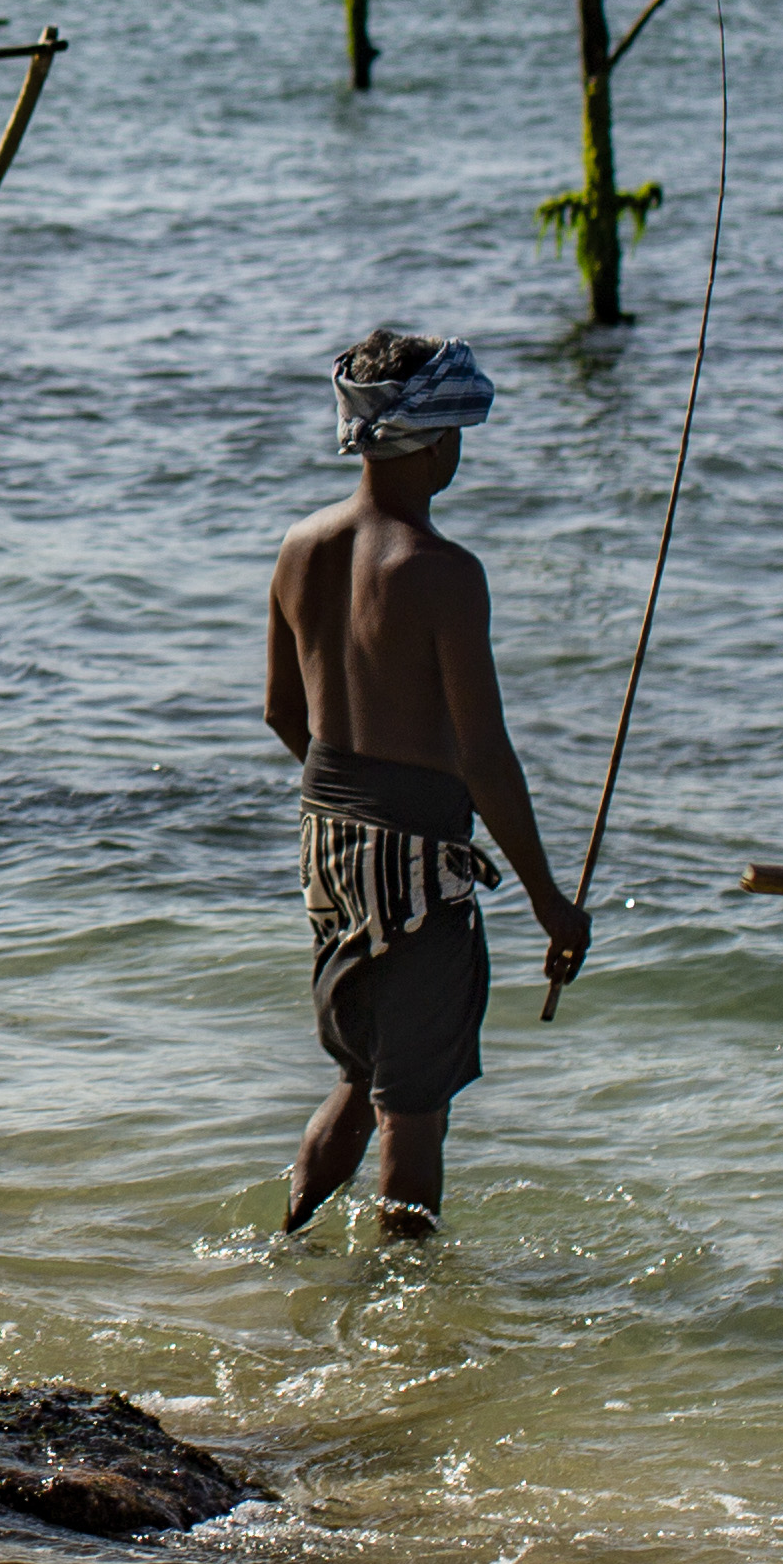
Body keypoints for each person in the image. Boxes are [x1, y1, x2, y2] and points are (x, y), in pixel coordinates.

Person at [263, 326, 588, 1238]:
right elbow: (483, 755)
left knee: (363, 1075)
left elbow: (282, 714)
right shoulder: (443, 572)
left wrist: (357, 815)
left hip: (326, 842)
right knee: (414, 1106)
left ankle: (289, 1241)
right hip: (413, 862)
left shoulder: (302, 546)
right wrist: (548, 901)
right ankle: (405, 1330)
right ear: (437, 440)